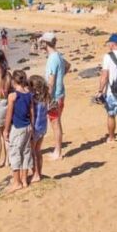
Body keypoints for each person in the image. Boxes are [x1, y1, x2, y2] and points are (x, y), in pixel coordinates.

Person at [40, 32, 69, 161]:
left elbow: (50, 82)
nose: (40, 44)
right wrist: (60, 78)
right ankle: (57, 150)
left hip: (54, 97)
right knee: (56, 122)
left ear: (46, 43)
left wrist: (46, 98)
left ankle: (58, 152)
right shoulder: (58, 55)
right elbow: (67, 66)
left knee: (55, 124)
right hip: (60, 94)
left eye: (42, 42)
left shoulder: (52, 58)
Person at [4, 70, 34, 193]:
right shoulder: (29, 94)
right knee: (26, 152)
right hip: (27, 127)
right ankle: (24, 180)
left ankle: (17, 182)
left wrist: (6, 130)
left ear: (13, 81)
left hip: (18, 128)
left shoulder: (13, 96)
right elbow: (32, 111)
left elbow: (9, 114)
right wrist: (32, 125)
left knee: (15, 153)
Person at [28, 75, 50, 182]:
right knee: (38, 151)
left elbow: (31, 114)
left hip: (35, 128)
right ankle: (39, 172)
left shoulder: (33, 99)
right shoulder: (45, 97)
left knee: (32, 152)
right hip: (43, 127)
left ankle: (35, 174)